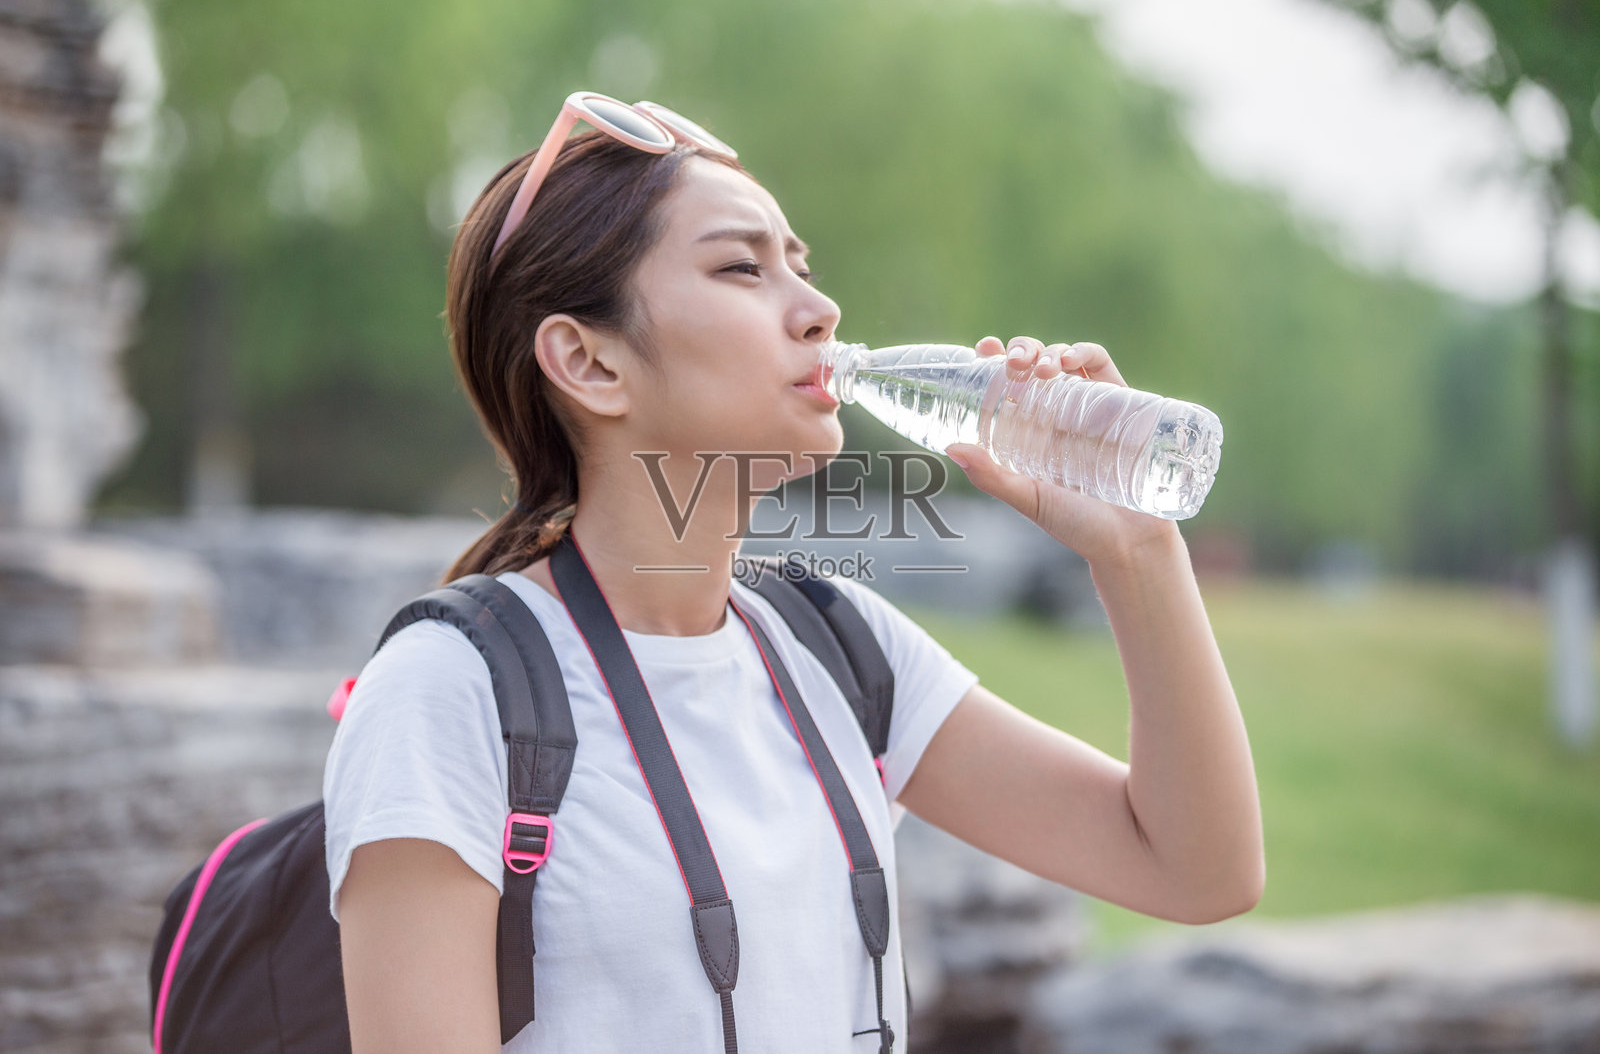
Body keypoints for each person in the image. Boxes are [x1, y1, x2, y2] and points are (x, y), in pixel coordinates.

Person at [323, 93, 1264, 1053]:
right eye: (743, 268)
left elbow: (1198, 869)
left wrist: (1138, 552)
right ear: (589, 362)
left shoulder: (836, 646)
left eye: (801, 267)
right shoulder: (449, 695)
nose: (820, 312)